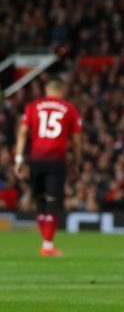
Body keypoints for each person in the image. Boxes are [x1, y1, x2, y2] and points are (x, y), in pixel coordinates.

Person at [14, 79, 82, 256]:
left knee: (40, 200)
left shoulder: (33, 106)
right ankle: (48, 244)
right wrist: (76, 162)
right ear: (61, 90)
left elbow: (22, 132)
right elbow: (75, 140)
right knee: (53, 201)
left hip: (36, 159)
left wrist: (19, 158)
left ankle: (46, 242)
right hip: (56, 160)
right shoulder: (69, 109)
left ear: (47, 90)